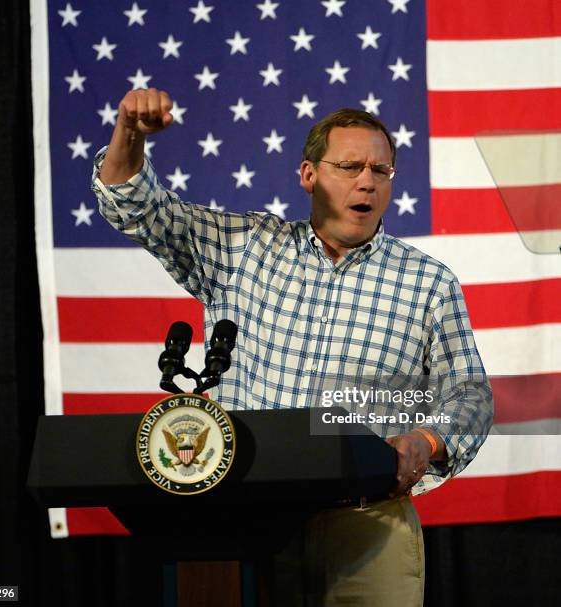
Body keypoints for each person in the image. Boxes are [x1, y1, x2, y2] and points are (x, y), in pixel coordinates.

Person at [91, 88, 493, 606]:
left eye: (380, 170)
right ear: (309, 175)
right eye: (349, 166)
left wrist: (428, 439)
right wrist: (128, 130)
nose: (366, 180)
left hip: (366, 524)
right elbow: (135, 206)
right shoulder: (241, 248)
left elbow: (471, 395)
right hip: (245, 514)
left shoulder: (427, 282)